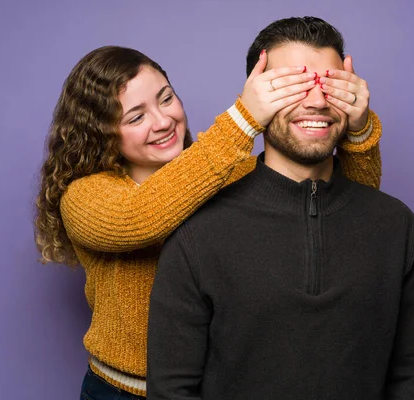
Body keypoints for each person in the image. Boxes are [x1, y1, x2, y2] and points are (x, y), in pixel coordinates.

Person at [34, 43, 383, 399]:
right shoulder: (86, 197)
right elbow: (139, 217)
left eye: (166, 98)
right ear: (102, 133)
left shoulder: (226, 174)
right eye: (136, 117)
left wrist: (357, 131)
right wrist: (243, 120)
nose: (162, 121)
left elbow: (348, 212)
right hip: (124, 392)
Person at [147, 16, 414, 400]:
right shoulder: (199, 233)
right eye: (291, 87)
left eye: (330, 86)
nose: (316, 101)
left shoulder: (397, 226)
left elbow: (412, 375)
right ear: (256, 99)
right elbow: (171, 390)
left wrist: (361, 128)